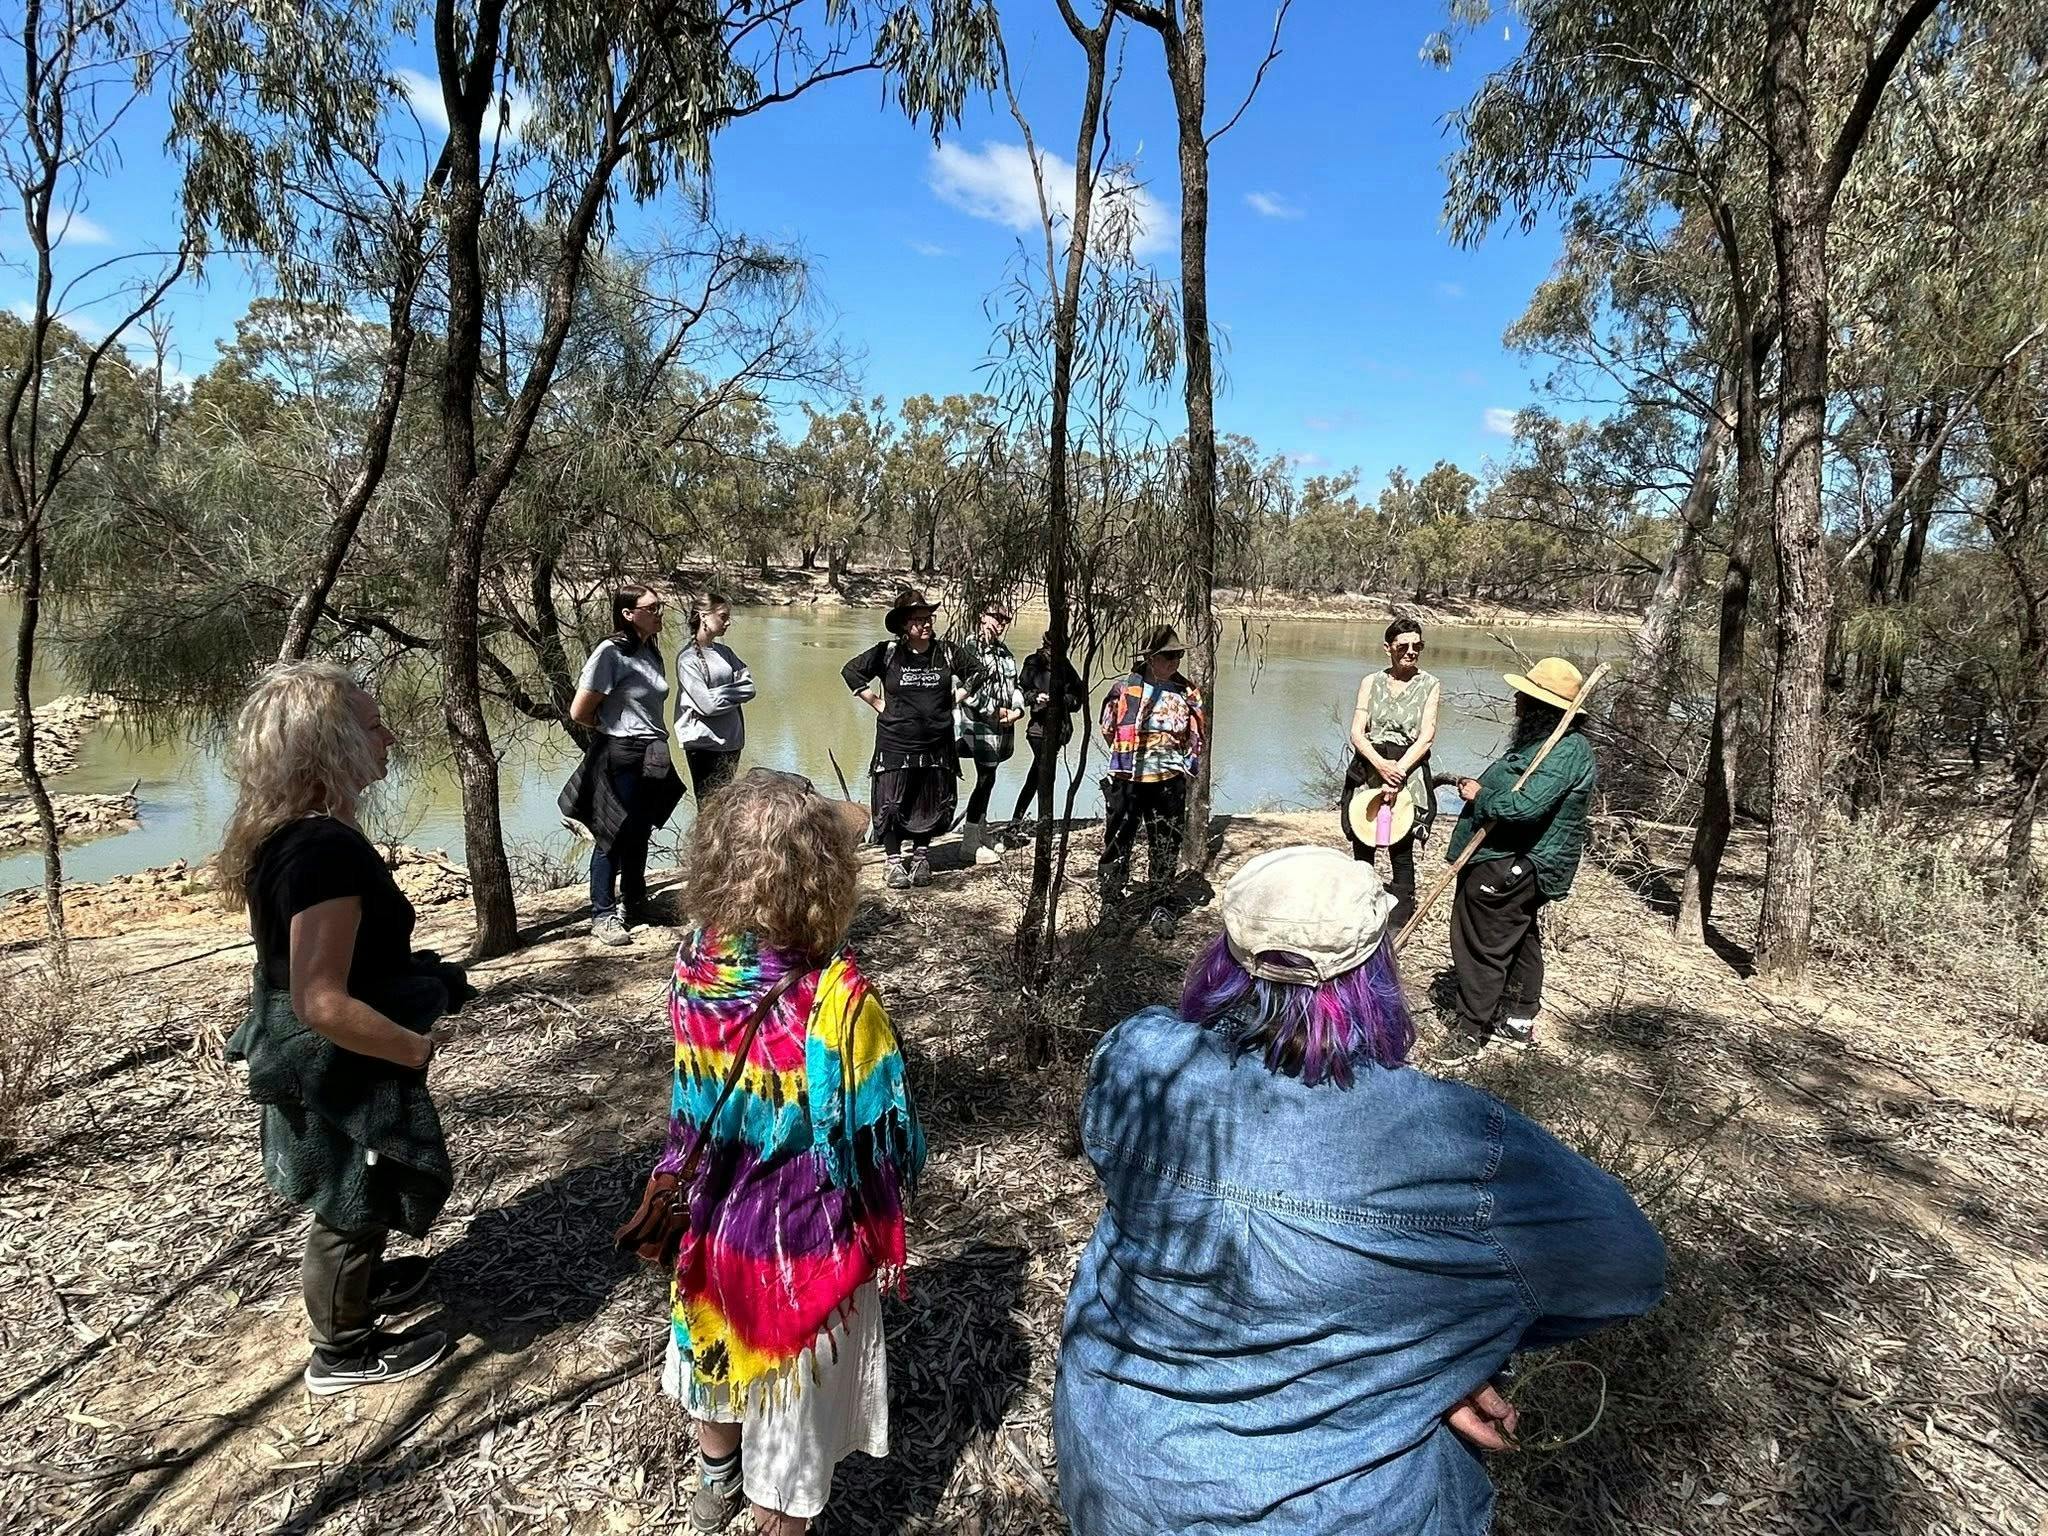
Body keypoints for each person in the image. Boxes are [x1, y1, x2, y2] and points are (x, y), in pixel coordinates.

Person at [1054, 845, 1665, 1536]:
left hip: (1114, 1474)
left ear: (1224, 954)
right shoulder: (1458, 1140)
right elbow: (1628, 1270)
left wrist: (1437, 1346)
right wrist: (1437, 1342)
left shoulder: (1135, 1054)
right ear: (1376, 970)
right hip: (1322, 1513)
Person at [656, 769, 924, 1536]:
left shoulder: (695, 961)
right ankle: (774, 1515)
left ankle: (714, 1486)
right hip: (801, 1244)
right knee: (791, 1424)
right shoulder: (838, 998)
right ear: (823, 875)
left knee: (716, 1367)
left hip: (708, 1217)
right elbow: (878, 1145)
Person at [218, 661, 468, 1396]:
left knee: (359, 1188)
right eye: (371, 724)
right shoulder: (324, 851)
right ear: (326, 746)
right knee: (350, 1198)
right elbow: (320, 1000)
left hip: (334, 1052)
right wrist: (412, 1046)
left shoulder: (292, 835)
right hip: (339, 1060)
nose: (388, 736)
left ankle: (364, 1286)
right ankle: (343, 1350)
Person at [1445, 656, 1598, 1051]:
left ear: (1541, 708)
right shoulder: (1544, 745)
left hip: (1514, 863)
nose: (1516, 699)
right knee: (1520, 937)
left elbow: (1526, 808)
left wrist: (1481, 795)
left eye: (1525, 697)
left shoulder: (1565, 751)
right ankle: (1517, 1019)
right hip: (1508, 859)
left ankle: (1468, 1032)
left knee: (1482, 944)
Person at [563, 583, 685, 946]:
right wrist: (616, 732)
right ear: (628, 614)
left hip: (652, 752)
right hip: (621, 752)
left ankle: (635, 902)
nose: (660, 613)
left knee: (639, 830)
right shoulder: (610, 652)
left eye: (661, 606)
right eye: (652, 608)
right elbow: (579, 711)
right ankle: (602, 914)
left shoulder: (651, 651)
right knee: (611, 832)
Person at [841, 587, 983, 890]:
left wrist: (956, 697)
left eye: (928, 617)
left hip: (936, 743)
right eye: (919, 619)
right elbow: (851, 671)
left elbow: (978, 672)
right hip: (895, 743)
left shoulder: (947, 651)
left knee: (929, 801)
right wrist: (878, 703)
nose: (926, 624)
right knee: (891, 804)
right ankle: (893, 863)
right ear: (905, 624)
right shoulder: (887, 652)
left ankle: (921, 858)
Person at [1097, 623, 1205, 938]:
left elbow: (1196, 736)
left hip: (1169, 782)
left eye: (1178, 655)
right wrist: (1126, 760)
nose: (1174, 662)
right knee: (1118, 840)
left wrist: (1184, 767)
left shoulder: (1188, 693)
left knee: (1165, 843)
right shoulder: (1123, 689)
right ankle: (1111, 902)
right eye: (1167, 656)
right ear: (1151, 657)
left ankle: (1160, 905)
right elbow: (1108, 729)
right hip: (1128, 779)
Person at [1342, 617, 1442, 931]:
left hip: (1407, 768)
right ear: (1389, 649)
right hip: (1370, 765)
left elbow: (1426, 736)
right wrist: (1379, 765)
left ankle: (1399, 918)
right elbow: (1358, 732)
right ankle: (1360, 910)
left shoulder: (1430, 684)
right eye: (1404, 646)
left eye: (1418, 646)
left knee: (1400, 844)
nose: (1411, 652)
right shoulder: (1370, 682)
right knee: (1363, 838)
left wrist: (1397, 772)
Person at [953, 599, 1027, 866]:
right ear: (982, 616)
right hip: (975, 726)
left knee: (990, 778)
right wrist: (994, 710)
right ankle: (969, 842)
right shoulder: (968, 649)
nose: (1001, 623)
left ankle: (980, 830)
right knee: (984, 778)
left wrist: (1018, 710)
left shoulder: (1005, 653)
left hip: (1001, 727)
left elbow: (1015, 686)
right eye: (997, 617)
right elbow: (964, 690)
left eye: (1005, 620)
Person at [674, 590, 756, 801]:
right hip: (704, 746)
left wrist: (717, 693)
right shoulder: (688, 659)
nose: (728, 623)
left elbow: (749, 687)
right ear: (703, 616)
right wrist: (732, 693)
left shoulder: (725, 652)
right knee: (709, 809)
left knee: (725, 808)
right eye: (723, 617)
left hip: (732, 743)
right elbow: (707, 706)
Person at [1006, 631, 1088, 836]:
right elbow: (1021, 692)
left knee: (1037, 776)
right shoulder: (1033, 663)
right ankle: (1035, 822)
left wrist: (1059, 700)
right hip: (1038, 730)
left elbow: (1078, 698)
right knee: (1043, 774)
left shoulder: (1066, 667)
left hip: (1058, 731)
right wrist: (1036, 698)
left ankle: (1020, 822)